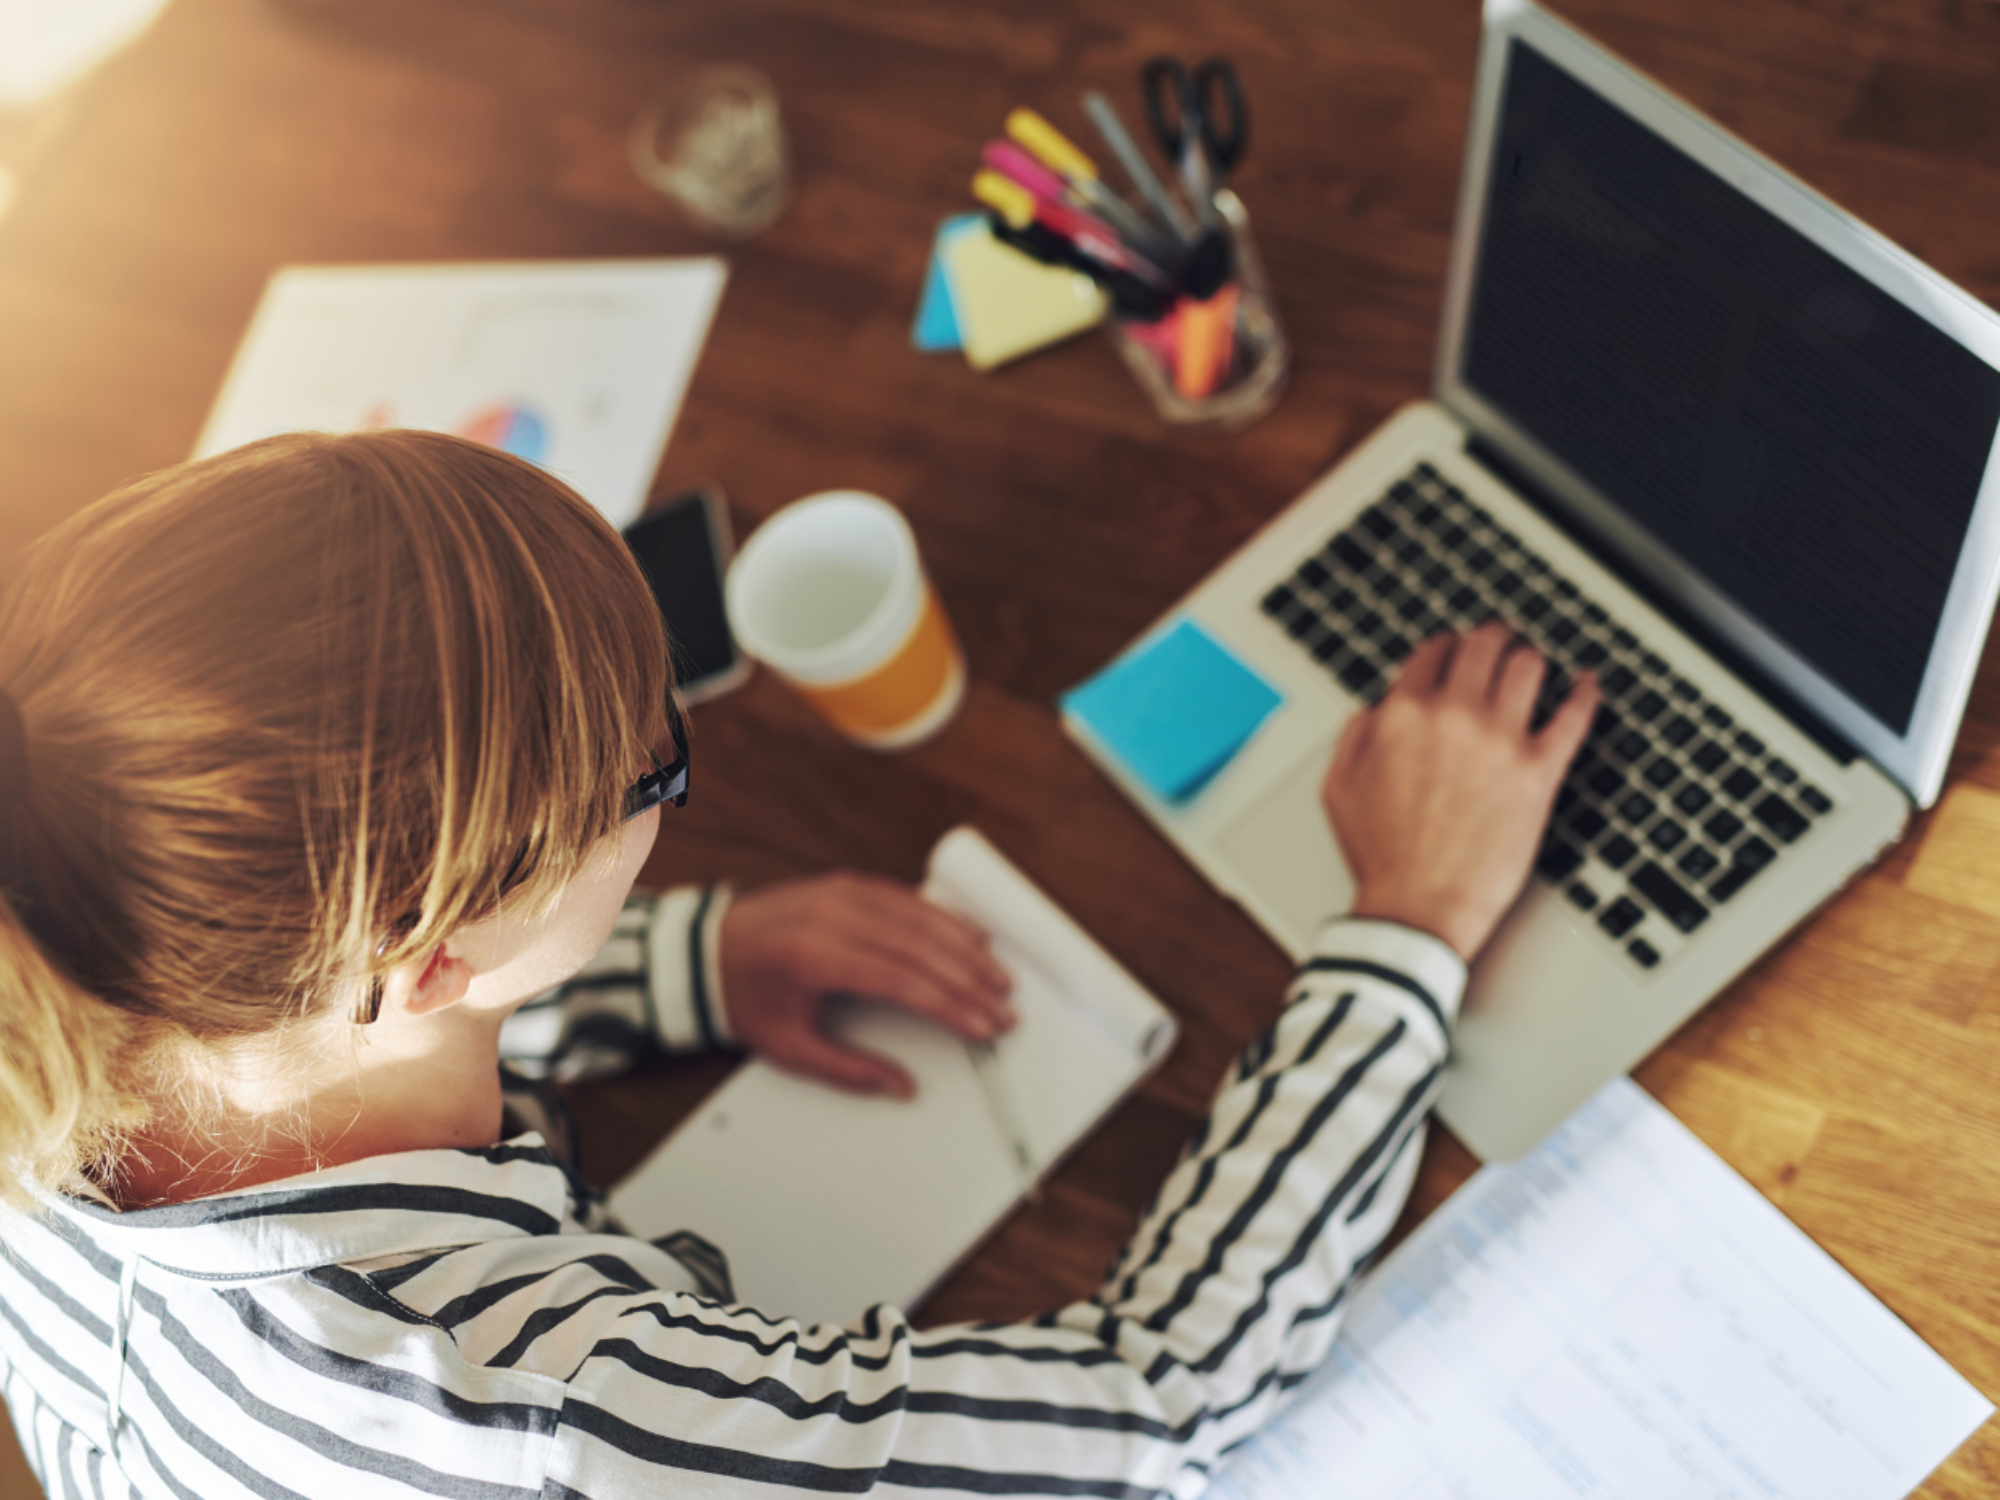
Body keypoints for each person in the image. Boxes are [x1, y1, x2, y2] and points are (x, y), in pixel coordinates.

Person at [0, 430, 1595, 1500]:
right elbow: (1157, 1402)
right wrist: (1413, 921)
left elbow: (326, 1040)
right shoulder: (559, 1418)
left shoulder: (72, 949)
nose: (671, 799)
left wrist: (693, 966)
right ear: (429, 964)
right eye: (657, 773)